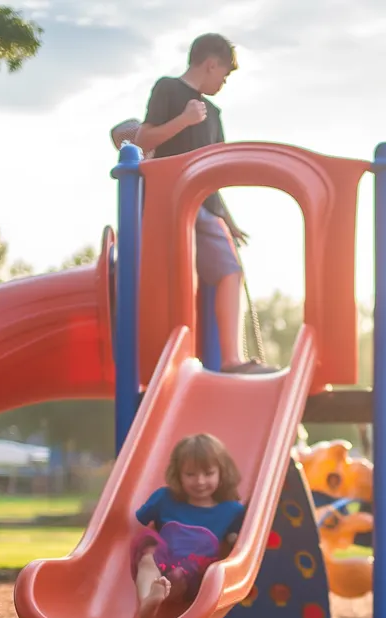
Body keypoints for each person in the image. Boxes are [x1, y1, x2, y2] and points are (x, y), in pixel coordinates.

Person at [118, 33, 269, 374]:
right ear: (210, 64)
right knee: (184, 280)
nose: (224, 82)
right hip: (172, 203)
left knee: (231, 271)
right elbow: (144, 138)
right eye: (224, 74)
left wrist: (228, 219)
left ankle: (231, 359)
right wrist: (184, 120)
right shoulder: (168, 89)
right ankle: (180, 360)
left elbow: (215, 174)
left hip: (206, 205)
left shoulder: (214, 114)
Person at [133, 434, 247, 618]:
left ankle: (165, 593)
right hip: (164, 560)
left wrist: (236, 539)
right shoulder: (164, 498)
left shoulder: (231, 511)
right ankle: (147, 602)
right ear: (178, 474)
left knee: (178, 576)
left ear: (222, 472)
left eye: (208, 473)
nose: (200, 481)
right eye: (190, 474)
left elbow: (237, 542)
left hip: (197, 572)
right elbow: (136, 520)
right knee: (147, 560)